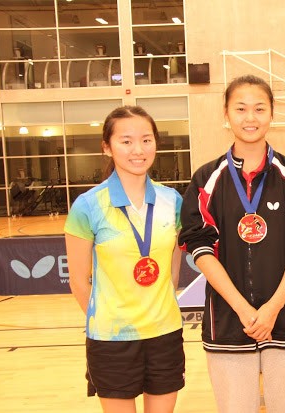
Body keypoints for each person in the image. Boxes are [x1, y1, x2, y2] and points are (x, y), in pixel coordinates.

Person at [179, 74, 285, 413]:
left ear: (272, 114)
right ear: (225, 115)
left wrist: (271, 308)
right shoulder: (205, 179)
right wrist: (245, 310)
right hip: (228, 321)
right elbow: (200, 250)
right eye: (240, 108)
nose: (250, 117)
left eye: (259, 108)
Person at [64, 106, 185, 413]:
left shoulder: (173, 201)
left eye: (146, 140)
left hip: (164, 333)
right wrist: (108, 321)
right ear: (107, 146)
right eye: (126, 141)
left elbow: (172, 266)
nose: (138, 150)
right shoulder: (88, 205)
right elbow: (79, 280)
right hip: (111, 339)